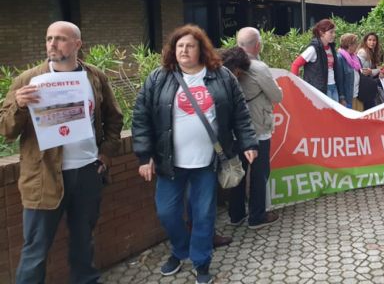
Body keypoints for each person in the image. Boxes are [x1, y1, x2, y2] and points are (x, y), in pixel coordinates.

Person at [132, 25, 258, 284]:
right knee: (167, 212)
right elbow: (141, 116)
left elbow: (239, 112)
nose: (184, 51)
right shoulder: (159, 77)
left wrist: (248, 143)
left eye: (190, 46)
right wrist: (144, 156)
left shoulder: (221, 75)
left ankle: (201, 262)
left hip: (207, 162)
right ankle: (180, 249)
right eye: (179, 46)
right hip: (170, 163)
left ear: (201, 49)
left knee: (203, 215)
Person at [0, 21, 123, 284]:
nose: (52, 44)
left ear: (77, 44)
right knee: (35, 250)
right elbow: (6, 129)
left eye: (60, 39)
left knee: (83, 242)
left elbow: (114, 119)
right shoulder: (29, 80)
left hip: (87, 173)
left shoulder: (95, 77)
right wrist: (20, 105)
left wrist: (105, 154)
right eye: (48, 38)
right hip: (43, 179)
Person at [230, 28, 283, 229]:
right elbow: (277, 96)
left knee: (239, 171)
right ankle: (257, 216)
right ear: (258, 45)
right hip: (257, 127)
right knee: (260, 173)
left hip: (235, 129)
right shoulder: (258, 67)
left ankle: (236, 215)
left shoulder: (227, 66)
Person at [291, 19, 344, 103]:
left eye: (334, 32)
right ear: (321, 33)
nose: (334, 35)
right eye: (331, 32)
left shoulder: (331, 47)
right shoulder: (313, 49)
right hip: (320, 89)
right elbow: (295, 64)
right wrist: (295, 85)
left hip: (333, 86)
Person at [337, 33, 371, 109]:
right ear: (349, 45)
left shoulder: (356, 58)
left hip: (358, 95)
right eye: (356, 43)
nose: (357, 45)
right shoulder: (340, 58)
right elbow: (340, 80)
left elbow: (359, 73)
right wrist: (342, 98)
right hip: (348, 97)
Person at [357, 32, 384, 110]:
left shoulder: (373, 51)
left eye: (374, 40)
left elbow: (377, 67)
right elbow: (364, 71)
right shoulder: (363, 52)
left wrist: (380, 71)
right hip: (364, 85)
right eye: (369, 40)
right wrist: (378, 70)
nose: (372, 42)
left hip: (370, 84)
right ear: (365, 41)